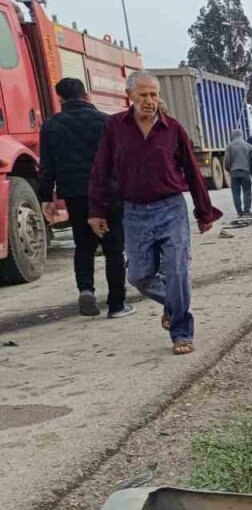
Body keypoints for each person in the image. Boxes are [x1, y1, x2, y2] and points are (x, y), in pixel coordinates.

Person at [88, 70, 223, 355]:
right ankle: (174, 306)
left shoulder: (173, 128)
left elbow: (191, 171)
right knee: (138, 275)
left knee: (177, 271)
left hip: (171, 207)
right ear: (129, 96)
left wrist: (203, 211)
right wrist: (96, 210)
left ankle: (181, 332)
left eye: (154, 94)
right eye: (143, 94)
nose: (149, 100)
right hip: (134, 212)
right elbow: (101, 169)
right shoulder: (114, 127)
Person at [36, 77, 132, 319]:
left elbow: (46, 166)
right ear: (87, 95)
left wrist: (45, 197)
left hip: (75, 194)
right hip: (108, 193)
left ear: (60, 99)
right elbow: (121, 160)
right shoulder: (107, 121)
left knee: (84, 245)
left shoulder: (51, 125)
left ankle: (86, 289)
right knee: (113, 248)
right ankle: (117, 304)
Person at [223, 128, 252, 217]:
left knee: (235, 193)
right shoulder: (248, 146)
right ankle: (247, 210)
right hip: (246, 172)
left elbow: (227, 161)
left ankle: (239, 211)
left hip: (234, 172)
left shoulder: (229, 146)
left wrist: (229, 169)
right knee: (247, 191)